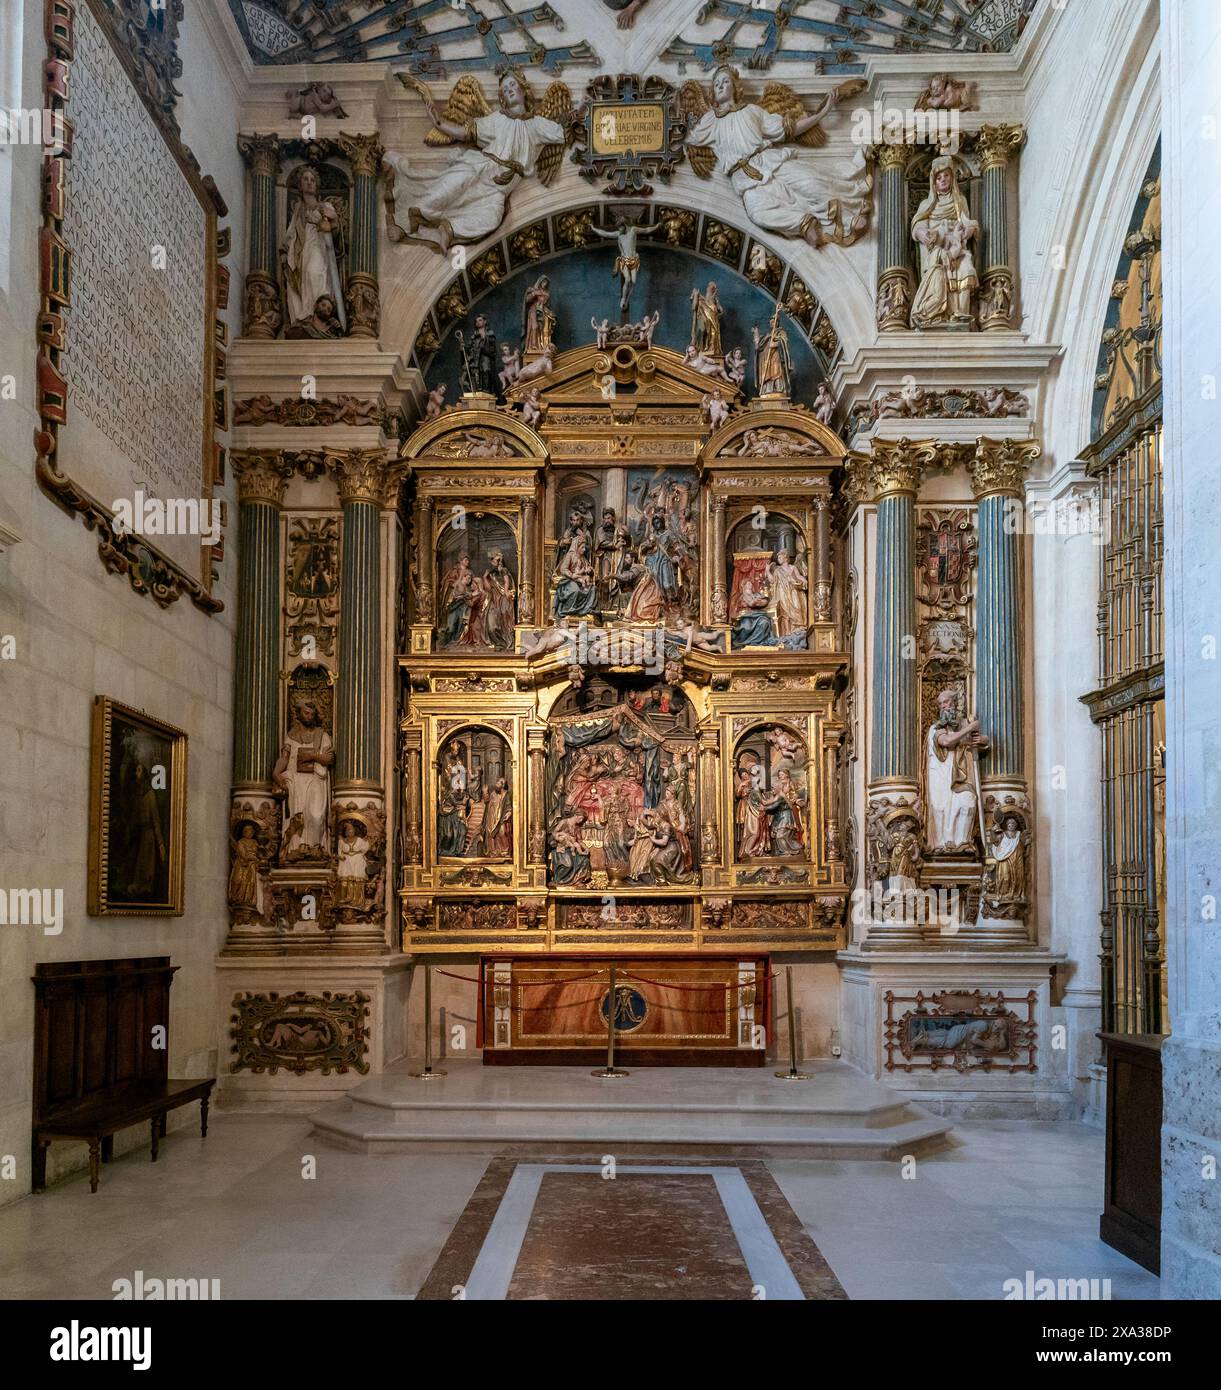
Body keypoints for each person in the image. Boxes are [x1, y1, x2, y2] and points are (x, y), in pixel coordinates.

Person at [386, 71, 566, 253]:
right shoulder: (498, 119)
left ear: (523, 90)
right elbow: (465, 133)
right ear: (502, 97)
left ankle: (447, 230)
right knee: (447, 190)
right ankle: (403, 223)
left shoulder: (538, 124)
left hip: (499, 187)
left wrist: (584, 108)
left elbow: (564, 129)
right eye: (504, 89)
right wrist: (438, 122)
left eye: (512, 85)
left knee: (492, 218)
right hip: (480, 166)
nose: (509, 90)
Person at [910, 156, 979, 328]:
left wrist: (968, 230)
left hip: (957, 247)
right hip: (937, 250)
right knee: (939, 280)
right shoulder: (927, 204)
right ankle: (939, 314)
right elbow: (918, 225)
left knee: (967, 270)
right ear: (933, 182)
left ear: (952, 177)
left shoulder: (959, 200)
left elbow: (967, 221)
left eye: (946, 176)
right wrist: (921, 233)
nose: (943, 180)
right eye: (939, 178)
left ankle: (961, 315)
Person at [282, 166, 346, 331]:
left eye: (312, 180)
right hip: (300, 249)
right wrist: (285, 251)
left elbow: (336, 230)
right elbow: (290, 234)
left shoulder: (325, 206)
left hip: (318, 244)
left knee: (314, 272)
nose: (309, 183)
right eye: (305, 179)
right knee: (299, 280)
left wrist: (330, 224)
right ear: (300, 185)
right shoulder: (298, 209)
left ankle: (318, 314)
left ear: (316, 185)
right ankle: (305, 315)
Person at [273, 698, 333, 857]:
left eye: (312, 714)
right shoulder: (291, 736)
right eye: (306, 713)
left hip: (315, 778)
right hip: (295, 779)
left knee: (315, 814)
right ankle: (297, 847)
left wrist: (312, 756)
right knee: (297, 815)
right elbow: (284, 758)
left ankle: (315, 846)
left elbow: (329, 759)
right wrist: (276, 773)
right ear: (299, 714)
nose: (309, 716)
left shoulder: (322, 735)